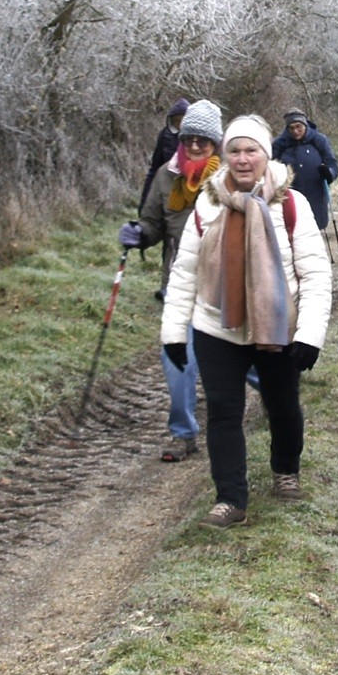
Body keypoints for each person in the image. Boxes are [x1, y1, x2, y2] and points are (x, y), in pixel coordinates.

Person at [160, 114, 334, 527]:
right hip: (216, 325)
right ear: (225, 155)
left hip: (276, 325)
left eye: (250, 150)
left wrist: (309, 336)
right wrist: (173, 334)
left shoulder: (291, 203)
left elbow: (315, 274)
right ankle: (231, 499)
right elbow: (185, 274)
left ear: (265, 155)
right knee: (223, 411)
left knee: (283, 404)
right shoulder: (207, 203)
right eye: (234, 150)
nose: (242, 159)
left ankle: (285, 471)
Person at [119, 99, 224, 461]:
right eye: (190, 137)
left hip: (225, 285)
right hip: (178, 281)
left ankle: (279, 402)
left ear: (216, 143)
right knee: (176, 358)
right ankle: (183, 434)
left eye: (204, 140)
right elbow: (153, 223)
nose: (195, 145)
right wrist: (139, 234)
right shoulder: (167, 175)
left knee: (251, 360)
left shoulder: (230, 176)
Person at [271, 108, 338, 230]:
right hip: (290, 196)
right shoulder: (279, 144)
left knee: (314, 230)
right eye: (291, 128)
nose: (295, 131)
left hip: (315, 195)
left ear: (305, 125)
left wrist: (329, 173)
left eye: (298, 127)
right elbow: (271, 168)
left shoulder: (319, 140)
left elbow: (333, 165)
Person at [139, 99, 189, 208]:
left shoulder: (197, 139)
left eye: (183, 120)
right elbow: (154, 168)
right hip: (166, 187)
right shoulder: (165, 136)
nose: (180, 125)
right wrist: (144, 201)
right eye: (176, 121)